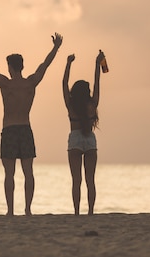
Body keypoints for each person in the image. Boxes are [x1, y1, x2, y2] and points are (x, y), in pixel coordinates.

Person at [0, 32, 63, 216]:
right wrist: (55, 47)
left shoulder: (6, 84)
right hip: (25, 128)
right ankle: (27, 210)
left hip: (10, 130)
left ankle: (11, 211)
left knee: (9, 173)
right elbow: (45, 65)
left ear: (10, 67)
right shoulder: (31, 83)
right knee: (28, 172)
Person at [62, 51, 104, 215]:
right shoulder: (92, 104)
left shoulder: (70, 104)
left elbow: (64, 83)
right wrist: (97, 64)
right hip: (90, 139)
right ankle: (91, 212)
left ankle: (77, 212)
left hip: (75, 140)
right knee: (90, 180)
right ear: (87, 92)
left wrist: (68, 64)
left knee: (76, 181)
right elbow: (97, 83)